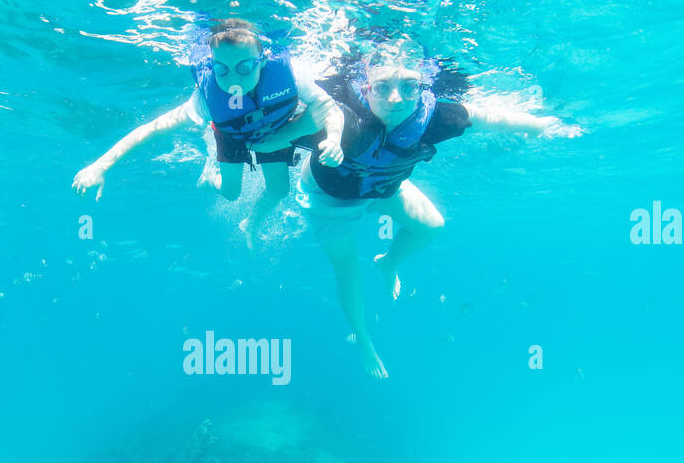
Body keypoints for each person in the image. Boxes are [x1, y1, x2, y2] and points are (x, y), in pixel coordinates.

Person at [253, 45, 581, 379]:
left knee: (432, 226)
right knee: (349, 273)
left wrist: (539, 125)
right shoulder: (341, 119)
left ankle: (389, 263)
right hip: (330, 201)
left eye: (408, 87)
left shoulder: (435, 118)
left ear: (422, 88)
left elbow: (487, 118)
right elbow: (276, 133)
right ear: (365, 89)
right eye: (382, 87)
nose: (396, 99)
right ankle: (365, 341)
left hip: (384, 190)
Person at [72, 19, 344, 249]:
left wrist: (333, 139)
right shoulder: (206, 99)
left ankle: (249, 223)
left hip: (275, 129)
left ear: (262, 62)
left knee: (279, 190)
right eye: (221, 69)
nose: (233, 79)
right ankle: (209, 177)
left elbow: (327, 107)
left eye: (244, 67)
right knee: (231, 193)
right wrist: (101, 165)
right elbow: (151, 129)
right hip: (232, 134)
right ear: (212, 65)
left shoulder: (292, 74)